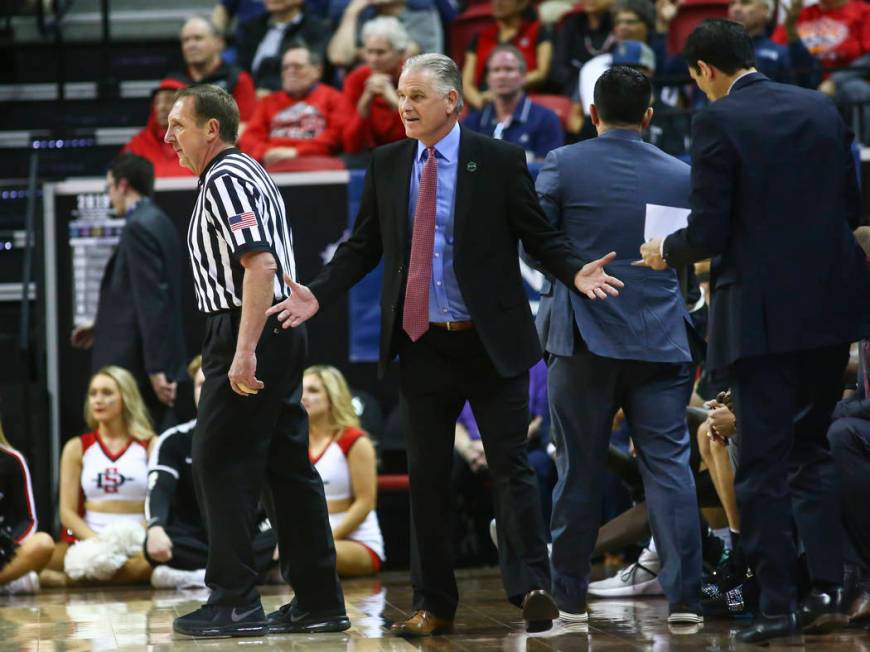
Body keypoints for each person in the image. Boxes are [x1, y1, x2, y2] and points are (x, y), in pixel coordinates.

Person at [266, 52, 624, 636]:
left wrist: (574, 271)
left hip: (490, 341)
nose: (403, 106)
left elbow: (538, 236)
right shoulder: (386, 163)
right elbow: (362, 247)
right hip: (422, 343)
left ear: (452, 102)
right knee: (429, 476)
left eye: (416, 96)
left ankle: (533, 586)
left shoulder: (499, 160)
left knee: (512, 468)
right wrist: (320, 295)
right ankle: (434, 605)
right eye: (401, 96)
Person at [638, 18, 870, 644]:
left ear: (703, 71)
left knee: (761, 466)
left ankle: (777, 605)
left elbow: (709, 232)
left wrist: (666, 250)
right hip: (833, 311)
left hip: (763, 320)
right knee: (810, 448)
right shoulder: (821, 107)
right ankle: (827, 587)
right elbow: (852, 207)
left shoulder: (717, 120)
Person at [163, 84, 347, 637]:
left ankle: (234, 601)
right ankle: (318, 601)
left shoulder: (225, 178)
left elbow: (261, 265)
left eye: (178, 124)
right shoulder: (251, 171)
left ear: (210, 129)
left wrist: (243, 350)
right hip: (275, 328)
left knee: (217, 460)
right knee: (285, 467)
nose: (168, 135)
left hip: (250, 326)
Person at [535, 65, 703, 625]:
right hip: (660, 337)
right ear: (649, 117)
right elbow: (685, 256)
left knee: (577, 470)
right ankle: (684, 602)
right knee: (670, 469)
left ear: (592, 114)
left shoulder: (562, 163)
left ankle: (569, 600)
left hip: (583, 339)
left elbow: (537, 244)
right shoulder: (681, 172)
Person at [70, 154, 188, 430]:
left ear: (123, 185)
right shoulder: (161, 222)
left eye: (109, 188)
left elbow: (152, 301)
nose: (109, 197)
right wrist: (100, 327)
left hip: (136, 369)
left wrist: (156, 368)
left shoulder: (138, 227)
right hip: (152, 359)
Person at [145, 355, 278, 590]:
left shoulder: (257, 435)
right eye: (199, 384)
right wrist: (155, 527)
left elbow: (276, 494)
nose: (206, 391)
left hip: (245, 534)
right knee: (155, 540)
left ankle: (204, 577)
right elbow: (159, 489)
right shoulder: (174, 439)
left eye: (213, 384)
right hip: (194, 536)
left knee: (282, 535)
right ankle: (242, 575)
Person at [42, 367, 155, 587]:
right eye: (93, 393)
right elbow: (66, 512)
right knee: (39, 557)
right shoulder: (77, 447)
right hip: (87, 540)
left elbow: (159, 506)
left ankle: (73, 581)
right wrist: (98, 543)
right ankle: (105, 577)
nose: (98, 400)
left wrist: (132, 540)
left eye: (107, 393)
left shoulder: (150, 444)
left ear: (126, 397)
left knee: (151, 562)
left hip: (135, 540)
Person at [303, 365, 385, 577]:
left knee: (309, 553)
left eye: (313, 391)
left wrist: (328, 538)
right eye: (301, 390)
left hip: (355, 542)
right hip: (312, 537)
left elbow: (366, 502)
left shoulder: (354, 440)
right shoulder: (296, 441)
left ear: (332, 396)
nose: (304, 397)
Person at [238, 46, 352, 166]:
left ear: (317, 71)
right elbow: (249, 138)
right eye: (285, 68)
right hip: (271, 163)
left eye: (297, 67)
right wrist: (265, 153)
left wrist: (297, 152)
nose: (290, 71)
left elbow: (336, 136)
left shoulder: (334, 98)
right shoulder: (267, 102)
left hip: (315, 163)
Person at [463, 45, 564, 162]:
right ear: (488, 79)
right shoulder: (472, 123)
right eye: (496, 70)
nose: (502, 76)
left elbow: (549, 170)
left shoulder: (546, 119)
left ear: (524, 77)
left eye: (509, 69)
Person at [462, 0, 553, 111]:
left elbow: (541, 73)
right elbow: (466, 83)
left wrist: (503, 88)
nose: (497, 3)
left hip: (521, 103)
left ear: (522, 3)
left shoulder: (539, 30)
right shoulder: (480, 37)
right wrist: (480, 101)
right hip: (482, 104)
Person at [0, 417, 55, 594]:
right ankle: (12, 582)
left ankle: (10, 579)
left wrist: (8, 545)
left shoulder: (12, 460)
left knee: (43, 543)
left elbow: (28, 520)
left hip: (3, 549)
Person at [167, 16, 257, 123]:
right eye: (186, 40)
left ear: (219, 43)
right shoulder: (171, 83)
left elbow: (246, 125)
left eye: (198, 38)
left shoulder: (238, 79)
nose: (191, 45)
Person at [342, 16, 409, 155]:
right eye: (369, 51)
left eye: (381, 52)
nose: (373, 59)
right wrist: (364, 106)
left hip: (409, 152)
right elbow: (350, 145)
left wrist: (395, 103)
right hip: (368, 155)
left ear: (400, 53)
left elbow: (425, 137)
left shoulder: (415, 78)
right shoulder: (356, 79)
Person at [236, 0, 331, 92]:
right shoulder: (251, 27)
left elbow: (311, 73)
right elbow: (240, 68)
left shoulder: (316, 30)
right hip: (249, 96)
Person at [123, 79, 194, 177]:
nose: (161, 107)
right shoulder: (138, 144)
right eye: (157, 102)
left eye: (169, 100)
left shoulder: (198, 143)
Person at [550, 0, 615, 99]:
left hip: (610, 87)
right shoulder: (572, 23)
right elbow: (558, 66)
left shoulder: (620, 25)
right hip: (574, 86)